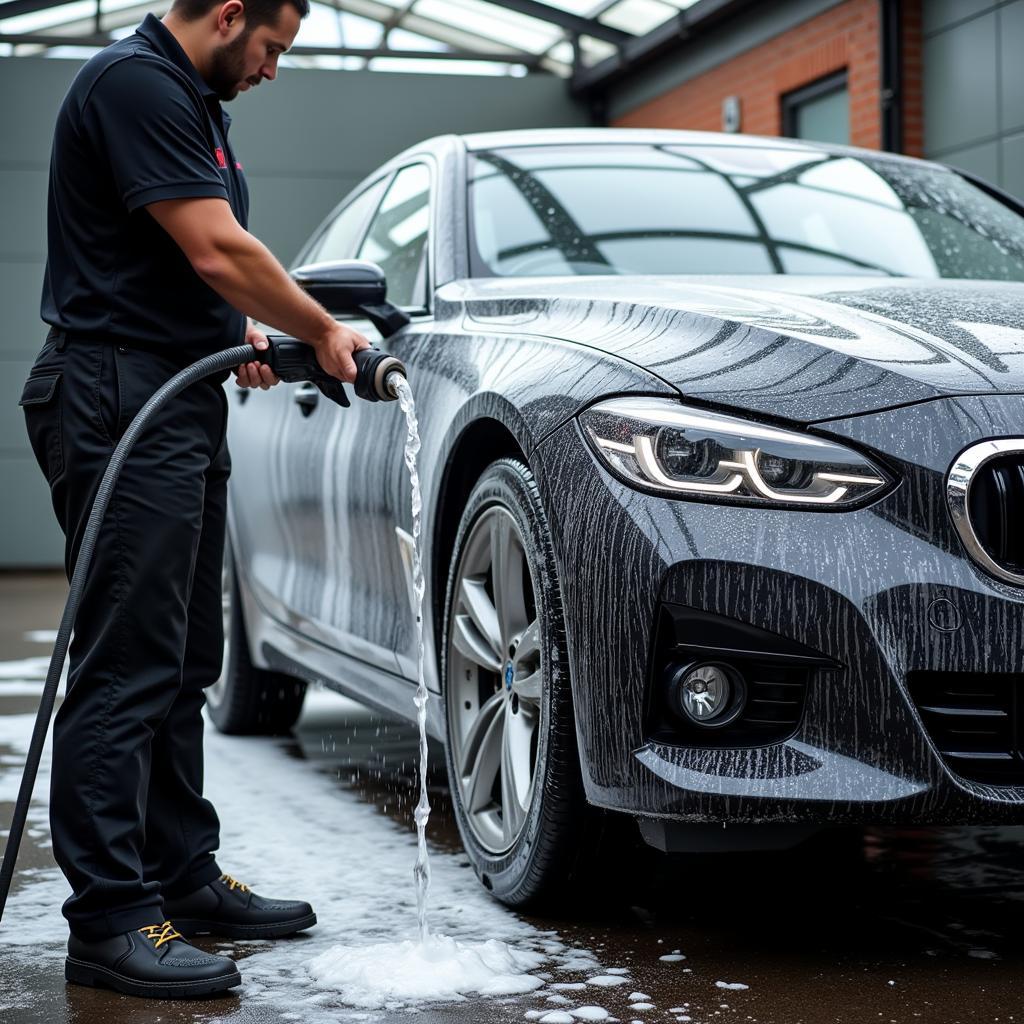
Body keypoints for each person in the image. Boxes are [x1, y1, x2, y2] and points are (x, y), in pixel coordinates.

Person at [19, 0, 370, 1000]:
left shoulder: (192, 103)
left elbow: (183, 263)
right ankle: (112, 919)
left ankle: (180, 877)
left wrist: (239, 333)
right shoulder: (137, 84)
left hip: (172, 391)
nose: (273, 69)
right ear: (227, 15)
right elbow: (218, 249)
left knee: (183, 661)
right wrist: (319, 327)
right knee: (127, 661)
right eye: (271, 46)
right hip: (117, 396)